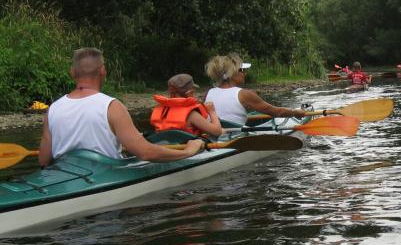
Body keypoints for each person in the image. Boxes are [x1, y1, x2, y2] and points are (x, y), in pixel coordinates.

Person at [39, 48, 205, 167]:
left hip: (65, 175)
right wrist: (188, 152)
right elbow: (145, 152)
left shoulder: (53, 109)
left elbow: (44, 161)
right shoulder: (112, 106)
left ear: (72, 72)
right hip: (106, 177)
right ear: (103, 71)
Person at [204, 53, 306, 125]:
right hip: (234, 138)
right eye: (242, 70)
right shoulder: (243, 94)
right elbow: (276, 112)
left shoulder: (210, 92)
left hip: (213, 137)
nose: (245, 73)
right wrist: (295, 112)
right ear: (232, 73)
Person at [150, 73, 223, 137]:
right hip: (188, 147)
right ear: (189, 93)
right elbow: (217, 132)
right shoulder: (192, 114)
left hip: (164, 145)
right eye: (193, 92)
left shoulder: (161, 110)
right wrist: (212, 111)